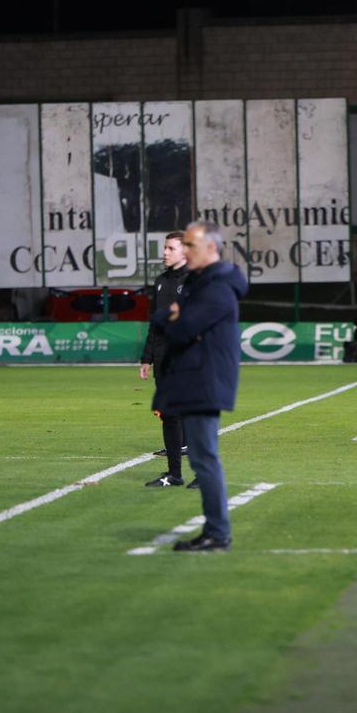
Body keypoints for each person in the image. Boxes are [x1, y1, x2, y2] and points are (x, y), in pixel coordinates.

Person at [153, 221, 248, 552]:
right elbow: (174, 324)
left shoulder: (216, 289)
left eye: (191, 245)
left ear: (211, 248)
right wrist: (173, 317)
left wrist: (172, 318)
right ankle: (215, 530)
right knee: (203, 459)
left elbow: (179, 329)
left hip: (205, 381)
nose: (187, 251)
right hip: (196, 378)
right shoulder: (200, 285)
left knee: (205, 459)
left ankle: (218, 533)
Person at [141, 231, 191, 485]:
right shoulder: (160, 281)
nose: (165, 253)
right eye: (165, 248)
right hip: (163, 359)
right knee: (169, 415)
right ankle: (175, 474)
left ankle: (203, 473)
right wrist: (147, 357)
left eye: (171, 248)